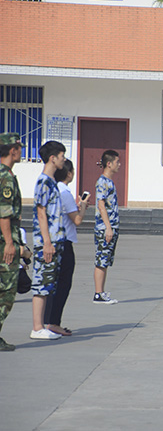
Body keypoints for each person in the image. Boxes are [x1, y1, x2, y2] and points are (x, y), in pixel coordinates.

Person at [44, 159, 88, 336]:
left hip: (52, 240)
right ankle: (54, 322)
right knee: (63, 283)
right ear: (69, 174)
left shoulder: (51, 188)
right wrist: (83, 207)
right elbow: (77, 220)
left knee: (50, 283)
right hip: (64, 242)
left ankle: (46, 320)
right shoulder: (65, 192)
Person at [30, 141, 66, 340]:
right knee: (41, 283)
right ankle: (37, 327)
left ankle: (41, 326)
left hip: (55, 240)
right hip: (47, 241)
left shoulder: (51, 181)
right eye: (62, 155)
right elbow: (41, 213)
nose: (64, 159)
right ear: (53, 157)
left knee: (48, 283)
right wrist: (46, 242)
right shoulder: (43, 181)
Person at [0, 134, 23, 351]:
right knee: (6, 292)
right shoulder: (5, 177)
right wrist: (9, 243)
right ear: (12, 150)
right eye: (19, 147)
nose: (21, 151)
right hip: (3, 243)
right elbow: (4, 214)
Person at [93, 150, 121, 304]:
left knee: (106, 260)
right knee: (101, 260)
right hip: (105, 228)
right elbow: (101, 205)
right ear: (109, 164)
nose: (119, 165)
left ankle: (101, 292)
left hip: (111, 226)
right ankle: (98, 293)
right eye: (117, 162)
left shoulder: (109, 182)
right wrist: (108, 228)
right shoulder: (102, 182)